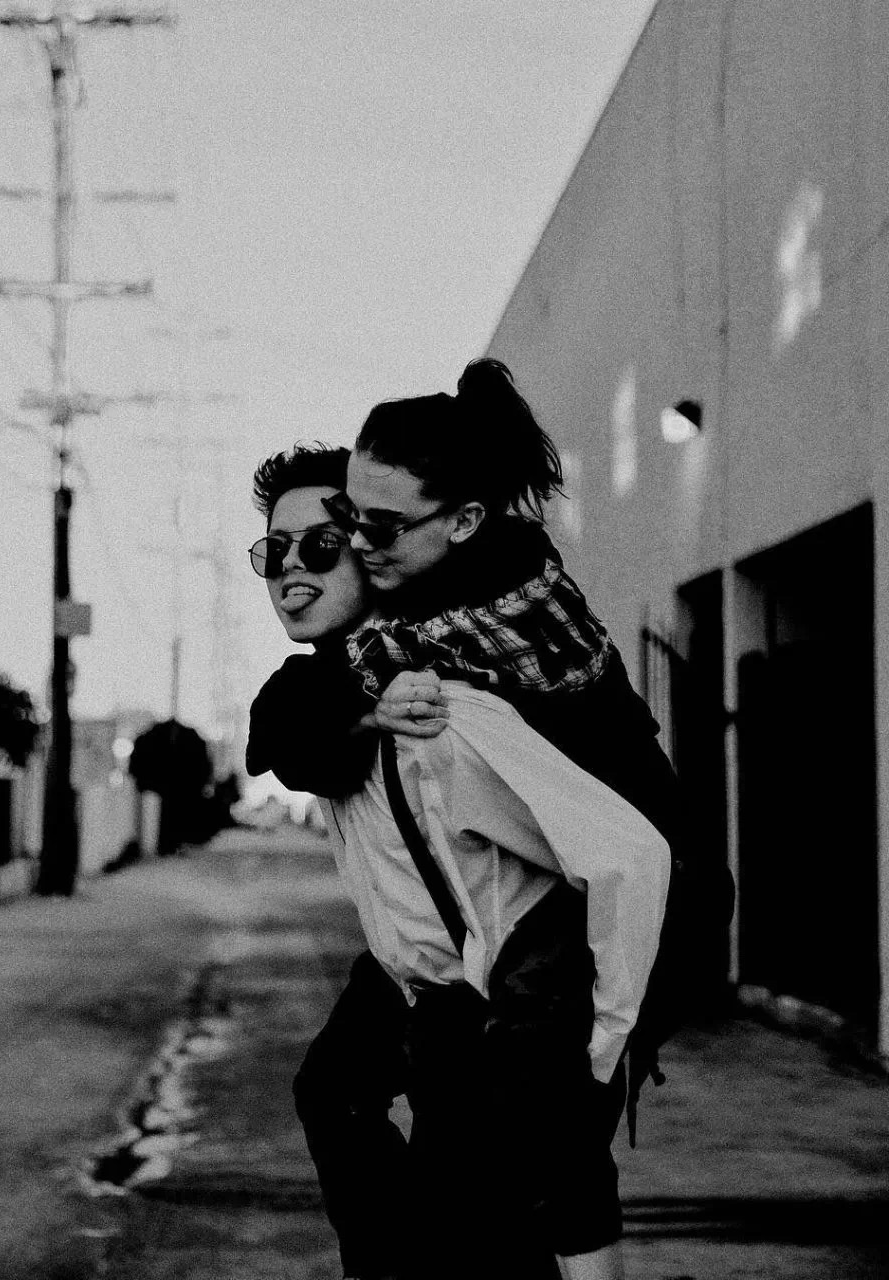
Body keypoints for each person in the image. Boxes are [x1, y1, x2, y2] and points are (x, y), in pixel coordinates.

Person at [246, 442, 670, 1280]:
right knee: (335, 1095)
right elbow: (284, 733)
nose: (291, 566)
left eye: (321, 545)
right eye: (274, 549)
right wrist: (365, 708)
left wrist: (600, 1041)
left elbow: (625, 855)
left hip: (500, 1004)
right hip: (421, 980)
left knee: (493, 1218)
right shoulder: (347, 688)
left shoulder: (445, 707)